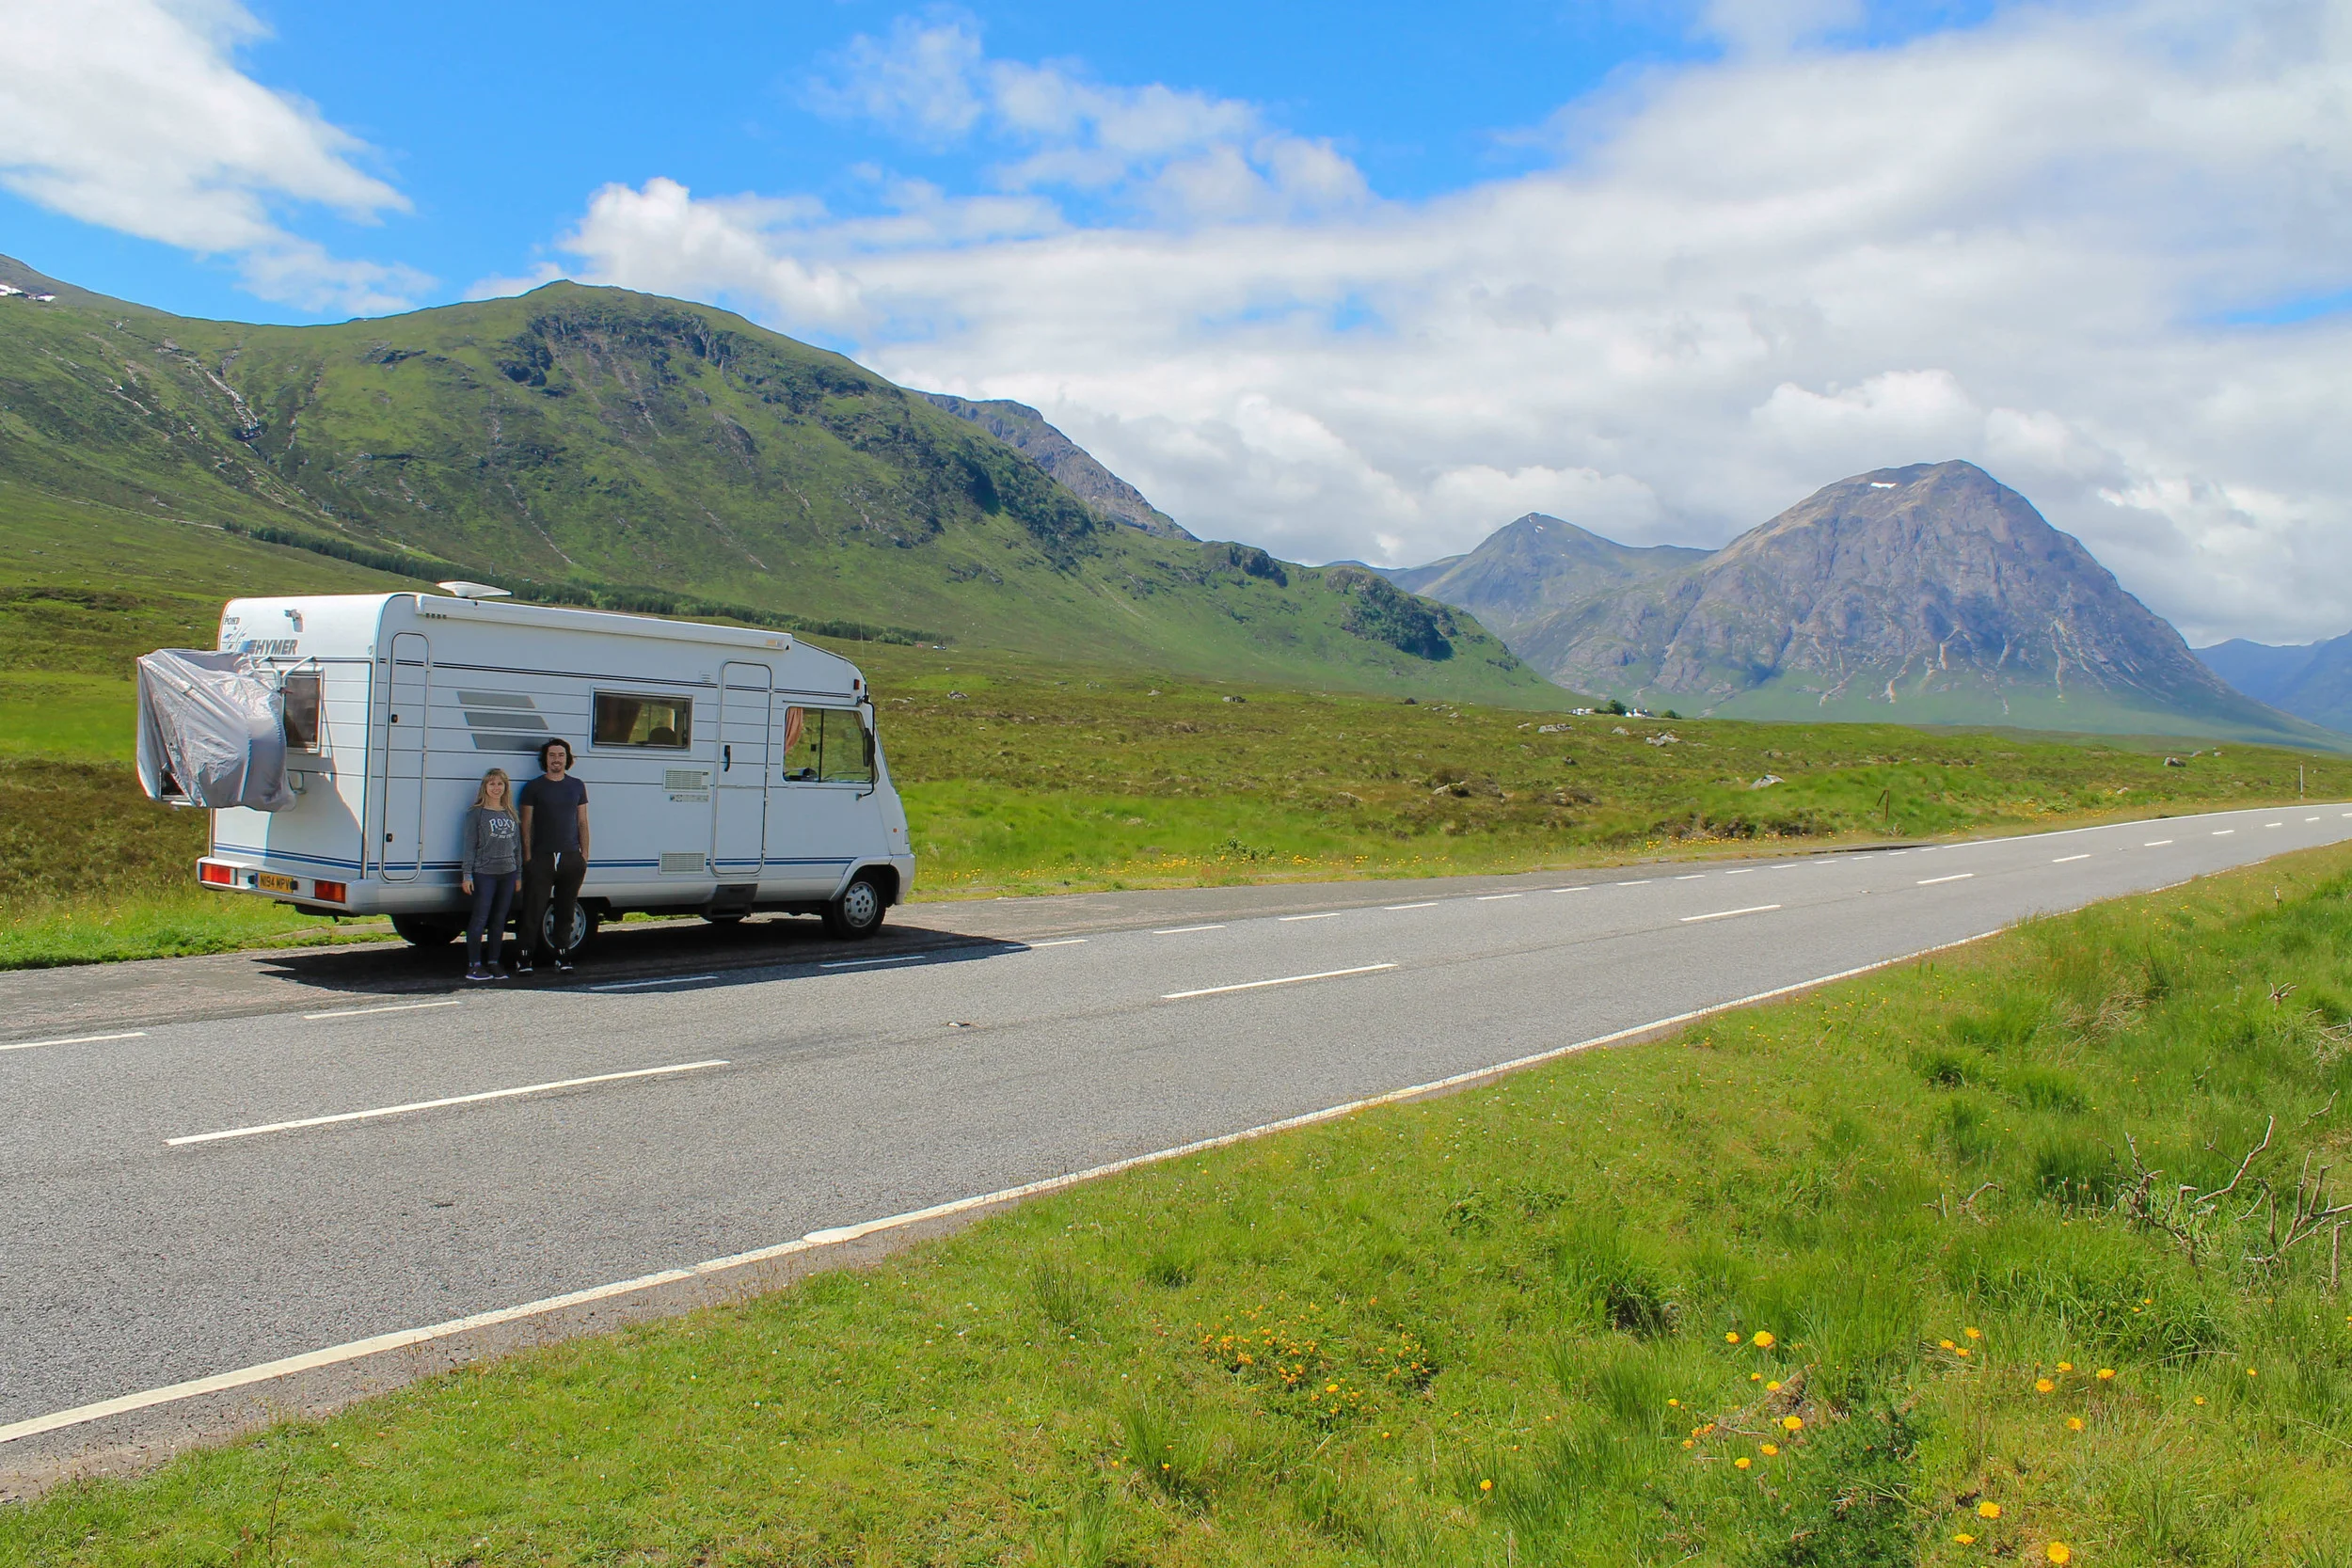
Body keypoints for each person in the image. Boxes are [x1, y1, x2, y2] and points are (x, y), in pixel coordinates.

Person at [518, 738, 591, 973]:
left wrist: (584, 856)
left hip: (571, 858)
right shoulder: (533, 787)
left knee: (566, 910)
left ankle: (563, 955)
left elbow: (582, 822)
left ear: (567, 759)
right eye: (552, 755)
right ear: (545, 759)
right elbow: (526, 825)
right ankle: (524, 958)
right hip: (541, 857)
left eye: (561, 755)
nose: (556, 759)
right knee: (533, 909)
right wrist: (527, 857)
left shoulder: (577, 786)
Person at [458, 768, 523, 980]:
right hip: (484, 873)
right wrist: (467, 875)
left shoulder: (510, 814)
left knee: (499, 919)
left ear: (506, 788)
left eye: (500, 784)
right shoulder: (476, 814)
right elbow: (469, 846)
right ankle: (474, 964)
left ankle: (494, 962)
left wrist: (518, 875)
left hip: (508, 873)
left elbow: (517, 848)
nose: (496, 788)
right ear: (485, 787)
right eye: (492, 784)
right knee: (480, 917)